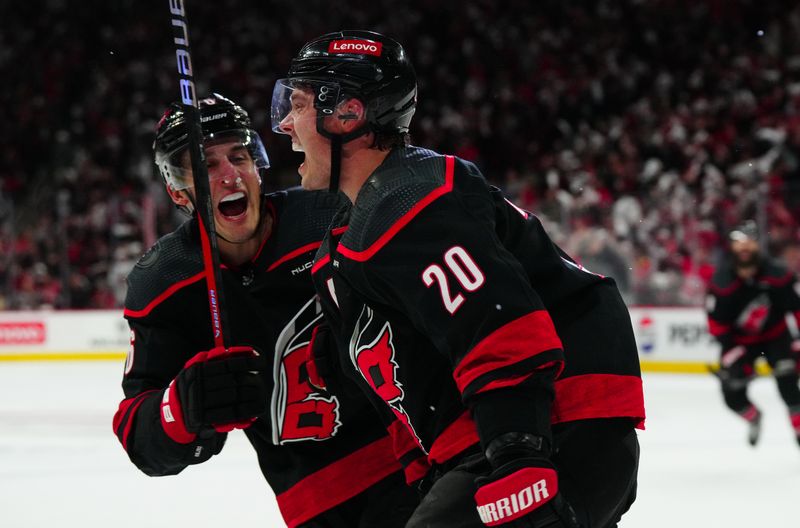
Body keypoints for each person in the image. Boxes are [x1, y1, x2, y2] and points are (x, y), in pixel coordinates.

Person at [271, 31, 645, 527]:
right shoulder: (354, 233)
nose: (285, 124)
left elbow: (496, 322)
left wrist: (518, 453)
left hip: (554, 430)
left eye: (297, 105)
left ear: (347, 115)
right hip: (493, 444)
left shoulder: (409, 202)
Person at [112, 94, 424, 528]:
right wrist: (181, 408)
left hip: (422, 460)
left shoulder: (332, 214)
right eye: (204, 165)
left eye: (237, 156)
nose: (227, 176)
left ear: (257, 165)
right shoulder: (165, 281)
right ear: (177, 191)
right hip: (316, 503)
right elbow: (139, 435)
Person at [706, 220, 800, 446]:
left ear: (758, 244)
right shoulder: (721, 283)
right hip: (740, 344)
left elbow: (797, 308)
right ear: (731, 247)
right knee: (732, 394)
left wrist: (797, 342)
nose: (744, 247)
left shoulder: (779, 275)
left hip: (776, 337)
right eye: (739, 242)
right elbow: (716, 324)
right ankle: (754, 417)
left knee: (788, 385)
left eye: (749, 241)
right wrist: (732, 352)